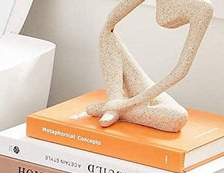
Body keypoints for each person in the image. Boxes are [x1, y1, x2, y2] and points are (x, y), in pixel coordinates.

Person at [86, 0, 214, 131]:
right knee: (106, 33)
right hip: (128, 93)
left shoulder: (202, 8)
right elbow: (110, 22)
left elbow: (181, 71)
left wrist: (129, 103)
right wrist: (120, 101)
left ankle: (114, 109)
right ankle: (113, 102)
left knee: (178, 118)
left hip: (139, 98)